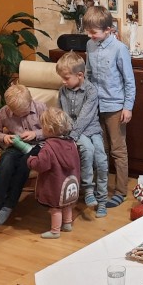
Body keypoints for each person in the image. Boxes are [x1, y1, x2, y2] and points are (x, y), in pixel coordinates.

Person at [83, 6, 135, 208]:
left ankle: (120, 191)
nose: (90, 35)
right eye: (88, 31)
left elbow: (129, 81)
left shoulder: (120, 49)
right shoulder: (90, 45)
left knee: (118, 150)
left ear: (108, 30)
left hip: (115, 107)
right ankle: (100, 189)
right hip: (95, 106)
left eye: (93, 32)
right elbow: (88, 74)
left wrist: (127, 107)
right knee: (100, 149)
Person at [0, 84, 48, 226]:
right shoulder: (4, 112)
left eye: (24, 112)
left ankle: (8, 206)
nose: (21, 115)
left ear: (30, 101)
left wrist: (35, 133)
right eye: (17, 113)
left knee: (24, 164)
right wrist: (4, 137)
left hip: (38, 146)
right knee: (5, 161)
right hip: (16, 145)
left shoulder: (41, 108)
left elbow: (53, 130)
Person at [56, 52, 108, 219]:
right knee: (88, 150)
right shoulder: (62, 91)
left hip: (90, 129)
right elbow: (61, 114)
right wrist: (67, 133)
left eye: (66, 78)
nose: (63, 81)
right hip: (74, 131)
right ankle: (88, 190)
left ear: (80, 75)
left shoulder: (91, 91)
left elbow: (85, 117)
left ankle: (102, 200)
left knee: (101, 160)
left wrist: (74, 134)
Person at [27, 108, 81, 239]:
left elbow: (41, 165)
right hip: (71, 183)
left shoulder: (48, 147)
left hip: (55, 185)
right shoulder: (72, 143)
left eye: (43, 127)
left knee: (55, 208)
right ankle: (67, 224)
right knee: (67, 204)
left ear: (49, 130)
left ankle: (55, 231)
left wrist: (31, 160)